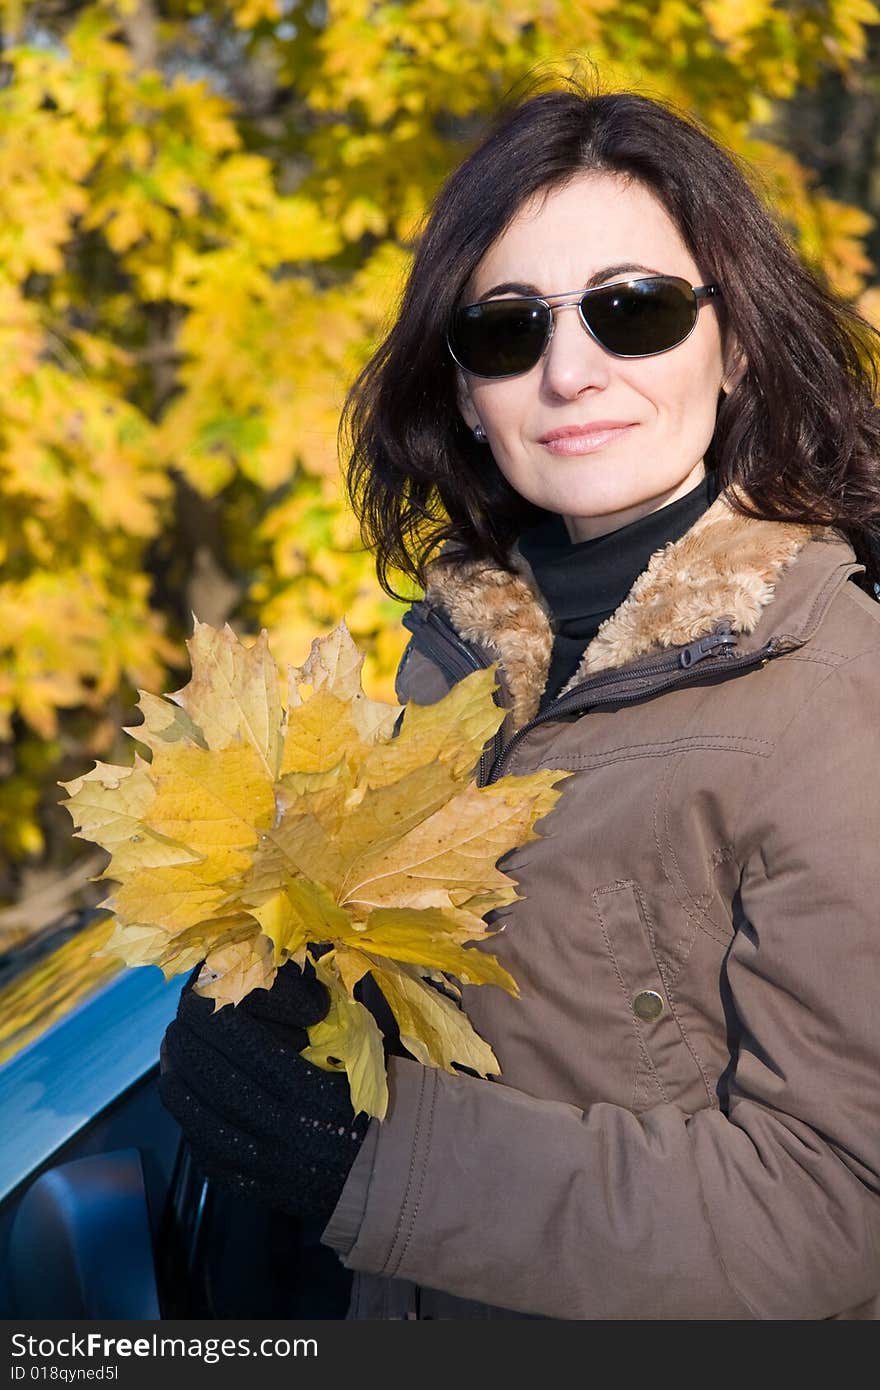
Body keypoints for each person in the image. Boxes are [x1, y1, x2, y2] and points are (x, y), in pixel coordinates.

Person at [159, 81, 880, 1320]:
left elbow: (833, 1210)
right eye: (505, 330)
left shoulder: (831, 694)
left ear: (738, 342)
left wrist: (372, 1157)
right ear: (463, 390)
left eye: (631, 311)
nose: (567, 370)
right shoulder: (452, 669)